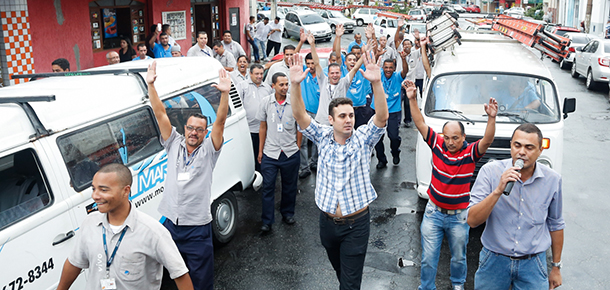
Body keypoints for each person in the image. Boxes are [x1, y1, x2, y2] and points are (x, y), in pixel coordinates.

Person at [289, 46, 388, 290]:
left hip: (356, 225)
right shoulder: (322, 135)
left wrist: (376, 83)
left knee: (350, 283)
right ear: (331, 119)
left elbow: (382, 118)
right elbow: (301, 116)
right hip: (327, 224)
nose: (348, 120)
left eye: (351, 115)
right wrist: (294, 85)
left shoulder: (363, 138)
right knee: (341, 273)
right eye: (342, 116)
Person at [403, 73, 498, 290]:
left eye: (455, 138)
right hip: (434, 213)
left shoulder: (470, 153)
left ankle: (457, 285)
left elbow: (488, 140)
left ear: (464, 137)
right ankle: (426, 287)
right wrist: (412, 99)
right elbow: (419, 122)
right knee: (428, 258)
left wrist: (491, 118)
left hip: (458, 218)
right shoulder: (437, 145)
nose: (450, 142)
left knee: (458, 258)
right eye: (447, 137)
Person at [147, 61, 230, 290]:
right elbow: (160, 113)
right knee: (169, 277)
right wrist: (151, 86)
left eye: (199, 129)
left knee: (201, 281)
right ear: (184, 128)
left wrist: (224, 94)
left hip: (197, 228)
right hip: (170, 224)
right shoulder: (173, 143)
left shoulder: (209, 150)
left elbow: (221, 122)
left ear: (205, 132)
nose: (193, 132)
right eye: (190, 128)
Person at [56, 163, 194, 290]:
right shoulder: (89, 223)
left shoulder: (153, 232)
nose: (95, 196)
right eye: (94, 189)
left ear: (125, 191)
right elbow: (74, 263)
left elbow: (180, 275)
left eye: (103, 190)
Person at [468, 123, 564, 290]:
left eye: (529, 147)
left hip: (533, 265)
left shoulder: (552, 180)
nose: (522, 152)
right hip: (494, 261)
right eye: (517, 145)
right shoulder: (490, 172)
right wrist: (498, 190)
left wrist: (556, 267)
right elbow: (472, 220)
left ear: (540, 150)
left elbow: (556, 223)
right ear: (511, 145)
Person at [257, 72, 302, 232]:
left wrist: (297, 146)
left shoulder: (294, 102)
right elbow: (262, 127)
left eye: (286, 84)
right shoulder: (265, 103)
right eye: (281, 85)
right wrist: (260, 150)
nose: (285, 87)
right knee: (268, 186)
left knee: (289, 186)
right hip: (270, 152)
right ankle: (267, 221)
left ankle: (288, 213)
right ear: (273, 86)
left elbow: (300, 127)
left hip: (290, 152)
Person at [310, 31, 364, 127]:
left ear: (341, 73)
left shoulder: (344, 82)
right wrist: (312, 45)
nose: (335, 75)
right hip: (323, 122)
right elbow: (316, 63)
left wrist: (365, 53)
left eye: (337, 73)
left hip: (339, 123)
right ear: (328, 74)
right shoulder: (323, 80)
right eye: (332, 73)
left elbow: (355, 68)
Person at [372, 50, 408, 169]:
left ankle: (395, 151)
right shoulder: (379, 75)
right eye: (386, 67)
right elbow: (372, 67)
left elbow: (405, 71)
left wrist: (403, 59)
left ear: (394, 68)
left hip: (393, 112)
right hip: (378, 111)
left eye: (390, 68)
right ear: (383, 68)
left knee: (393, 136)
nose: (388, 70)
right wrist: (376, 55)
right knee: (377, 138)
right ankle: (381, 159)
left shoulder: (397, 77)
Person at [236, 63, 273, 173]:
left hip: (265, 129)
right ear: (250, 74)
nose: (259, 76)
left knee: (263, 156)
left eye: (261, 74)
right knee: (250, 156)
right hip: (248, 130)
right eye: (256, 74)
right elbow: (238, 106)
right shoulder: (242, 86)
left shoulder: (267, 88)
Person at [297, 51, 320, 179]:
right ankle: (304, 167)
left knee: (317, 140)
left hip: (319, 113)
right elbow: (292, 56)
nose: (310, 66)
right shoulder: (304, 74)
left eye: (313, 63)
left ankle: (315, 163)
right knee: (303, 142)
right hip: (304, 112)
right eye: (308, 63)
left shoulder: (322, 76)